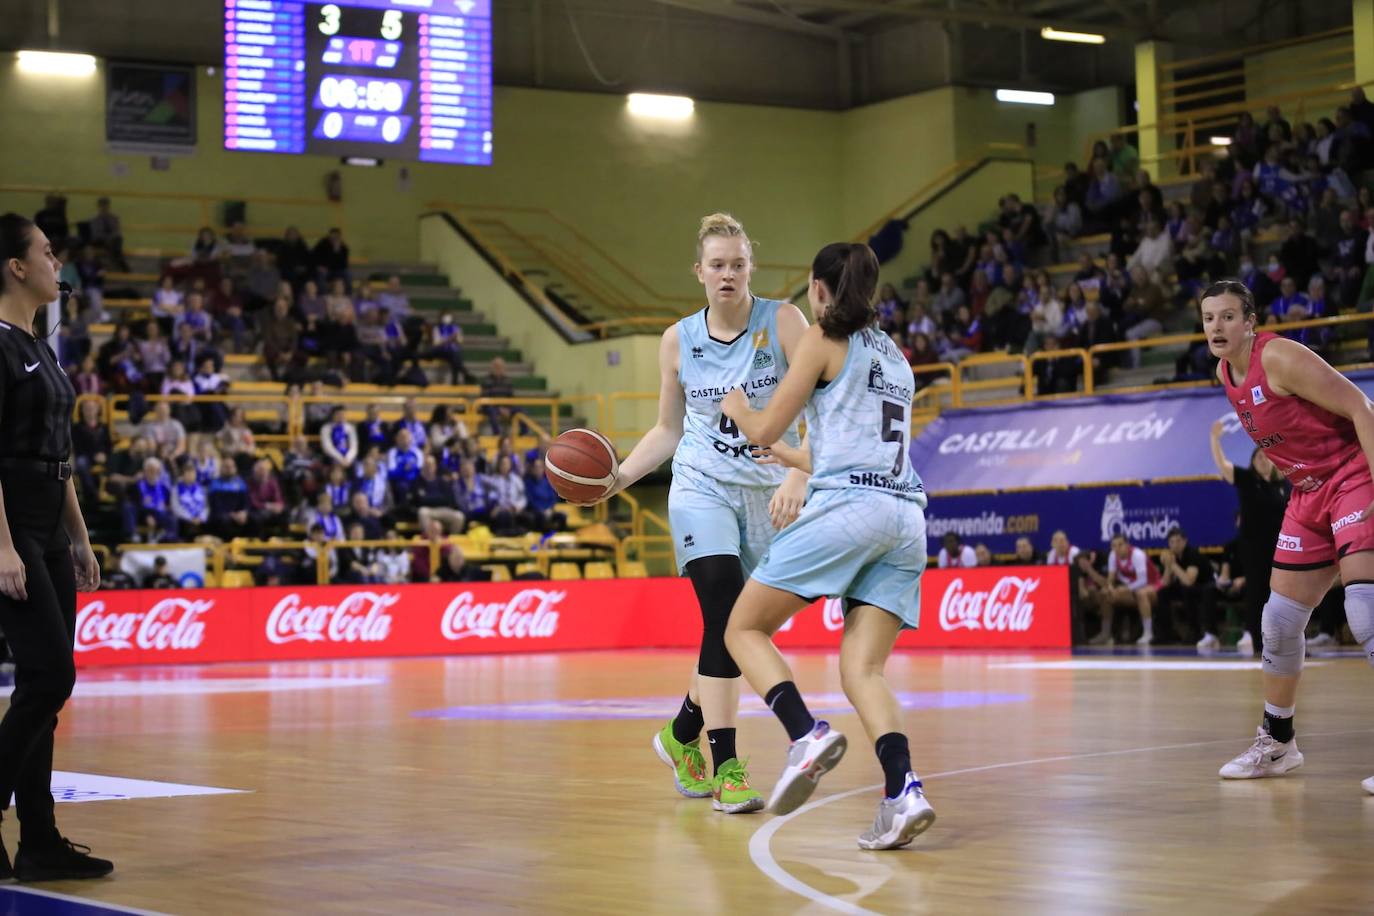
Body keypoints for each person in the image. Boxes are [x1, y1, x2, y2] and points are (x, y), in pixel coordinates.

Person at [582, 213, 809, 814]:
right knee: (725, 610)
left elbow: (819, 411)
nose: (728, 273)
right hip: (700, 486)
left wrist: (796, 470)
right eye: (718, 265)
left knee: (736, 634)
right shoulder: (677, 339)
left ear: (750, 267)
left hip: (768, 496)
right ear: (700, 273)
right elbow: (667, 429)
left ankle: (679, 734)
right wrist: (621, 477)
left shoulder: (785, 321)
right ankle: (726, 764)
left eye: (738, 263)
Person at [720, 241, 934, 850]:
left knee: (743, 629)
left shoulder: (820, 338)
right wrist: (790, 456)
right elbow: (841, 446)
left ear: (819, 290)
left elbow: (761, 425)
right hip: (905, 518)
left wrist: (737, 405)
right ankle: (903, 792)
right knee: (862, 669)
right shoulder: (896, 357)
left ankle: (804, 734)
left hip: (852, 510)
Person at [1203, 278, 1374, 792]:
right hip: (1307, 494)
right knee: (1278, 620)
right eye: (1209, 317)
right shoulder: (1223, 373)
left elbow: (1361, 408)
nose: (1217, 326)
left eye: (1228, 316)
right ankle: (1278, 743)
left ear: (1250, 321)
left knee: (1364, 608)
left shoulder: (1278, 357)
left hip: (1351, 476)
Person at [0, 213, 113, 880]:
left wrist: (79, 536)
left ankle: (39, 839)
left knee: (50, 685)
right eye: (45, 252)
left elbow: (58, 454)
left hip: (48, 521)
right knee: (49, 675)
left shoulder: (40, 343)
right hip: (10, 523)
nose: (55, 263)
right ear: (16, 266)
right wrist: (5, 546)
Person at [1208, 418, 1287, 655]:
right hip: (1254, 549)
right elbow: (1222, 464)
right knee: (1257, 596)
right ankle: (1258, 645)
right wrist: (1215, 438)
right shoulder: (1246, 480)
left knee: (1283, 596)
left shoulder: (1281, 486)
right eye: (1259, 457)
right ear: (1253, 462)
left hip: (1280, 548)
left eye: (1266, 456)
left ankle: (1286, 642)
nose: (1263, 460)